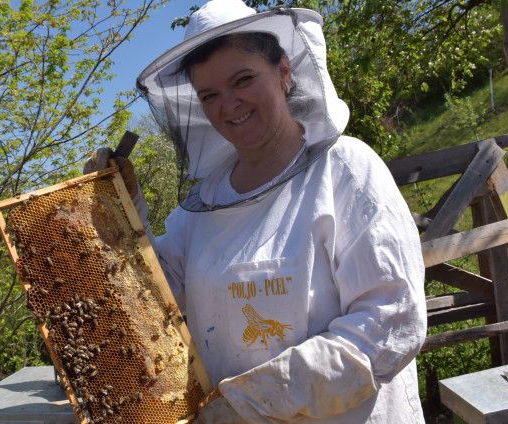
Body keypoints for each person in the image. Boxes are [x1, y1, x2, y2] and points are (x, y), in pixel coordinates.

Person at [85, 0, 427, 422]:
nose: (228, 105)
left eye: (243, 79)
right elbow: (157, 296)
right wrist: (120, 206)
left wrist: (251, 401)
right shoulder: (205, 202)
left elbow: (389, 325)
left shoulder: (347, 171)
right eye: (209, 95)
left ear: (284, 72)